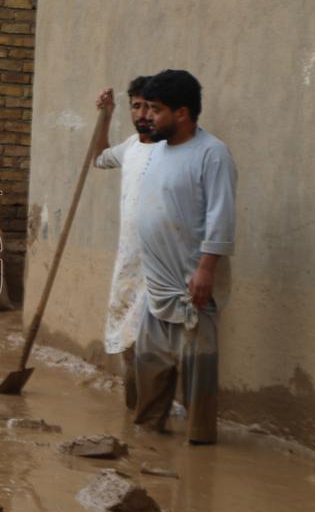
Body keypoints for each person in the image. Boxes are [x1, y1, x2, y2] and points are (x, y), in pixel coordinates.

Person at [134, 69, 237, 444]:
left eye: (156, 110)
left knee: (199, 374)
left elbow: (221, 216)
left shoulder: (212, 154)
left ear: (182, 113)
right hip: (157, 284)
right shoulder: (158, 150)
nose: (148, 117)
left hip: (193, 285)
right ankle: (147, 440)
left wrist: (205, 270)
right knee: (149, 365)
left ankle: (200, 452)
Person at [92, 76, 156, 410]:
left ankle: (154, 408)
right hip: (129, 260)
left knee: (154, 339)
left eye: (150, 106)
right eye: (136, 106)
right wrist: (106, 115)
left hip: (161, 263)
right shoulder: (131, 146)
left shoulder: (168, 150)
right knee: (128, 337)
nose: (143, 113)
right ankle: (136, 409)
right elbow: (99, 157)